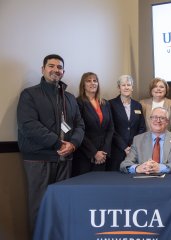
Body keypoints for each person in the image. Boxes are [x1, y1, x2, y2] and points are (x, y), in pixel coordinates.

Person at [17, 54, 85, 234]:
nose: (56, 70)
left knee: (62, 205)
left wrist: (73, 144)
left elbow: (80, 124)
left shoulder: (70, 98)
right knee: (39, 206)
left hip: (65, 159)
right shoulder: (29, 94)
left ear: (63, 72)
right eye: (51, 66)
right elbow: (28, 125)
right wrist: (57, 143)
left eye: (59, 67)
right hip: (39, 160)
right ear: (43, 69)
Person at [120, 107, 171, 173]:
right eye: (154, 117)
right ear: (150, 120)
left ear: (167, 122)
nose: (158, 120)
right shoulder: (138, 140)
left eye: (162, 118)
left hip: (168, 181)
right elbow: (125, 164)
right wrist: (138, 168)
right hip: (144, 180)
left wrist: (160, 167)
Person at [72, 72, 114, 176]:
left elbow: (110, 128)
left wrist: (104, 151)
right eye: (88, 81)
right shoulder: (77, 103)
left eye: (95, 81)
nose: (93, 83)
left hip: (103, 154)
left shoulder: (105, 103)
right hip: (85, 154)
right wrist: (94, 153)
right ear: (83, 84)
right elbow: (78, 130)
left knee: (101, 186)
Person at [109, 75, 146, 171]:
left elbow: (142, 128)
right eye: (123, 85)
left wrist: (133, 146)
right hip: (117, 150)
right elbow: (110, 128)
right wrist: (124, 147)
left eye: (129, 85)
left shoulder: (137, 105)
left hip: (135, 150)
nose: (126, 87)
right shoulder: (110, 104)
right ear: (119, 88)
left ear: (132, 87)